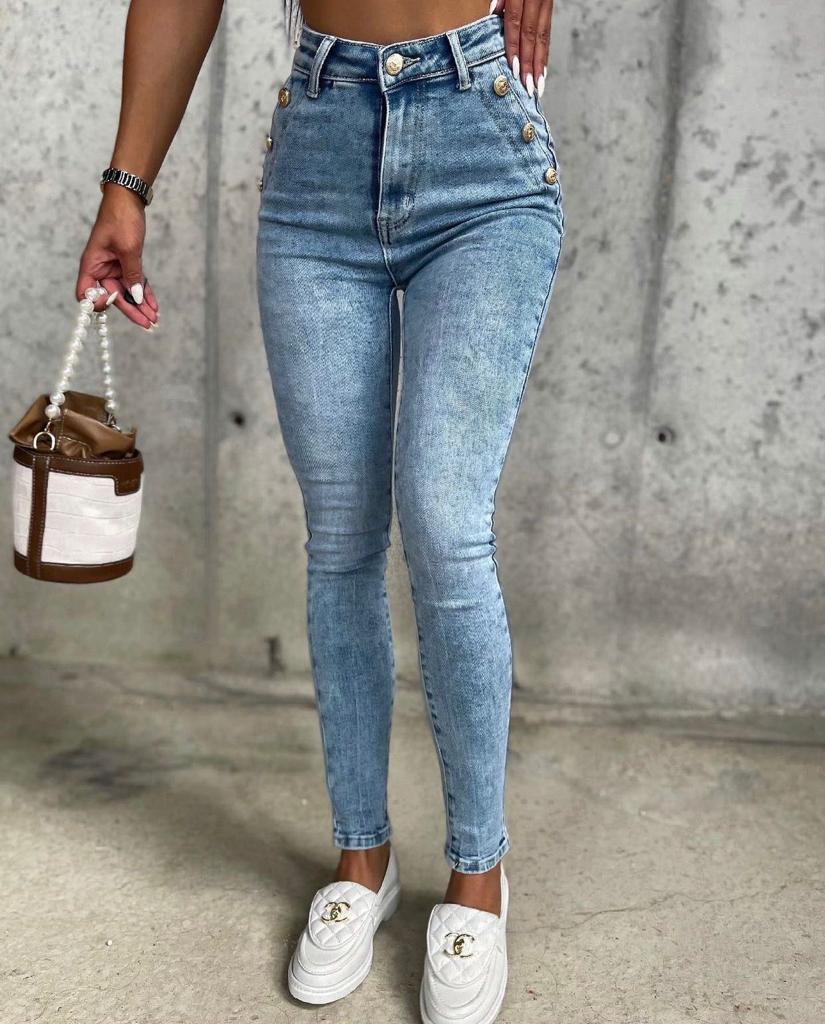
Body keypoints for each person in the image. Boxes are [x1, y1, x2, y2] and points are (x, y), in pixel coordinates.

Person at [76, 1, 563, 1021]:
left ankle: (478, 876)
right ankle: (362, 859)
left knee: (444, 524)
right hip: (321, 147)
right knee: (341, 535)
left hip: (482, 146)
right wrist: (127, 184)